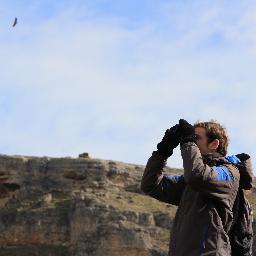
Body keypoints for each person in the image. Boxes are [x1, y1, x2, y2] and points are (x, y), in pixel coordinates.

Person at [141, 119, 254, 256]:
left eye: (196, 138)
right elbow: (151, 185)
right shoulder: (190, 181)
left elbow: (198, 175)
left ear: (214, 144)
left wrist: (188, 142)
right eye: (191, 138)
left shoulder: (229, 172)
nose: (192, 142)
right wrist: (163, 151)